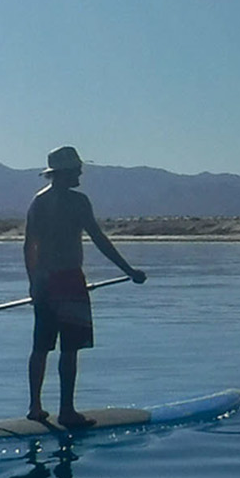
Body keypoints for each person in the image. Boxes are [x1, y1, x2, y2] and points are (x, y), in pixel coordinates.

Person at [24, 146, 145, 428]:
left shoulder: (37, 202)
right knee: (69, 348)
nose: (81, 173)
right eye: (77, 169)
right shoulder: (78, 202)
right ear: (65, 172)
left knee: (41, 346)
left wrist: (34, 284)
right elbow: (100, 240)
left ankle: (35, 407)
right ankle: (66, 411)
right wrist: (129, 271)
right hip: (67, 280)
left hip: (44, 282)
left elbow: (30, 247)